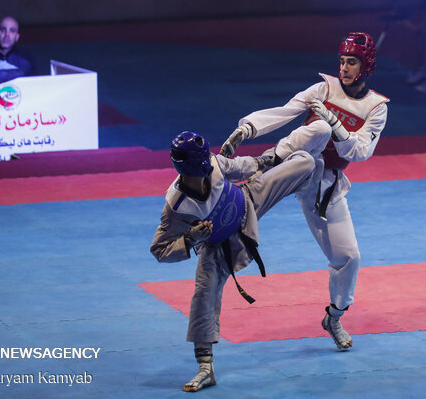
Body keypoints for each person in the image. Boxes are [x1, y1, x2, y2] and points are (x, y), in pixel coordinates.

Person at [220, 32, 390, 351]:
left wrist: (337, 124)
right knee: (319, 128)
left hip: (324, 183)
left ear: (366, 66)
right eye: (341, 60)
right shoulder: (322, 88)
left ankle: (334, 317)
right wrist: (247, 129)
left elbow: (360, 152)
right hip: (294, 163)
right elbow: (285, 112)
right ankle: (255, 166)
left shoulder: (376, 107)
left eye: (351, 62)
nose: (344, 67)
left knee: (348, 257)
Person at [150, 131, 315, 392]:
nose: (207, 164)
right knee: (204, 293)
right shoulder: (176, 204)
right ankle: (205, 368)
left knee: (306, 162)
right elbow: (159, 250)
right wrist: (191, 237)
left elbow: (242, 166)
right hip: (218, 246)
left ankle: (311, 184)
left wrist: (266, 161)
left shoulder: (216, 163)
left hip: (248, 202)